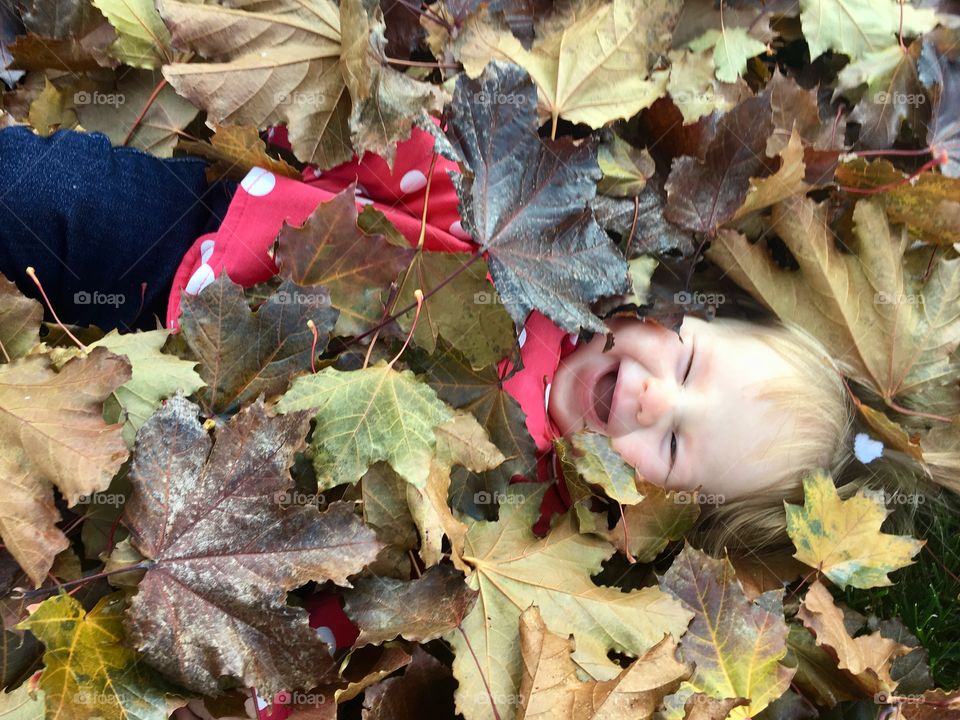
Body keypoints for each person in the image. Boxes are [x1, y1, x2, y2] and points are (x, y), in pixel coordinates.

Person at [0, 123, 949, 720]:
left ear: (654, 513)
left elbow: (357, 598)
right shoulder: (539, 257)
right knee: (45, 196)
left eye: (671, 444)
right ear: (676, 317)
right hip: (190, 252)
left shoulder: (515, 523)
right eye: (690, 364)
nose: (659, 395)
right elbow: (413, 163)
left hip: (166, 451)